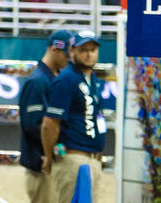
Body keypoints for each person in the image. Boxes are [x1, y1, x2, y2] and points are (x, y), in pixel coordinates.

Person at [42, 30, 107, 203]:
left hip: (92, 158)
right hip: (74, 159)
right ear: (72, 51)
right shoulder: (66, 79)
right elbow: (50, 122)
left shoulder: (91, 78)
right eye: (84, 49)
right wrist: (49, 157)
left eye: (92, 49)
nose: (89, 54)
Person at [18, 29, 72, 203]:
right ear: (53, 50)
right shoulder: (38, 82)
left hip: (49, 164)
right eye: (66, 55)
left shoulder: (50, 78)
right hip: (41, 166)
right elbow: (33, 126)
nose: (69, 59)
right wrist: (50, 150)